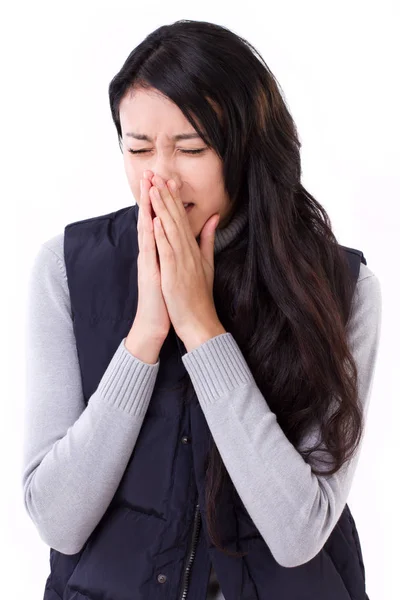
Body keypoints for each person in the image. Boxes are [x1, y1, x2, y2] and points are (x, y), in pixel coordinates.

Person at [21, 19, 382, 600]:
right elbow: (57, 521)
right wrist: (146, 333)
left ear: (246, 147)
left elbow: (298, 534)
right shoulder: (66, 269)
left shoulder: (342, 287)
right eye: (137, 148)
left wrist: (201, 330)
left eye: (190, 148)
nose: (157, 175)